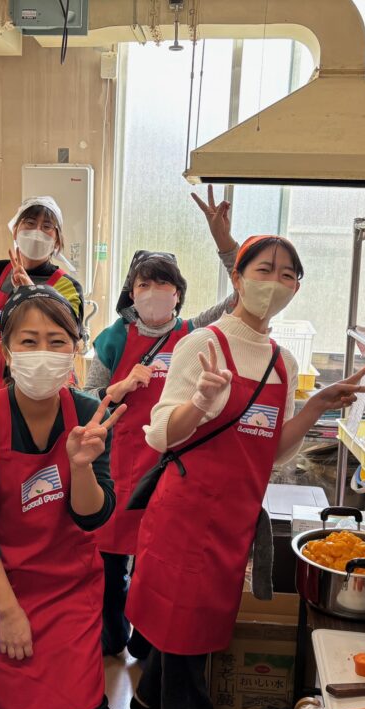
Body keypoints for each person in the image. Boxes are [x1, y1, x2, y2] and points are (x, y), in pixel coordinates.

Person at [123, 236, 365, 709]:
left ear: (295, 289)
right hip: (186, 512)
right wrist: (200, 402)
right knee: (186, 626)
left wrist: (314, 408)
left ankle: (148, 706)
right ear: (237, 278)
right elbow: (162, 435)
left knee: (188, 621)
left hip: (235, 517)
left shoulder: (283, 363)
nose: (275, 283)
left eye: (287, 275)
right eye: (264, 270)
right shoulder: (203, 345)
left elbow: (274, 451)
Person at [0, 285, 130, 709]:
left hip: (68, 590)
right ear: (6, 350)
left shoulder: (88, 415)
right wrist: (9, 613)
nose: (43, 353)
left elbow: (93, 516)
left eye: (57, 341)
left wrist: (82, 467)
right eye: (28, 341)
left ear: (75, 349)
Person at [87, 187, 241, 659]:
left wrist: (225, 243)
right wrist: (120, 387)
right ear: (131, 293)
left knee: (156, 560)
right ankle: (112, 632)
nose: (153, 292)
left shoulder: (193, 333)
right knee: (111, 561)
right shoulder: (111, 339)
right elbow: (86, 402)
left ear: (178, 293)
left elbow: (244, 295)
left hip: (168, 468)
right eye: (143, 285)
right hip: (116, 467)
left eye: (163, 284)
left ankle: (146, 637)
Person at [0, 196, 85, 390]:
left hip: (49, 393)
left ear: (57, 240)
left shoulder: (67, 286)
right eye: (30, 223)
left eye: (46, 226)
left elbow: (69, 339)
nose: (37, 232)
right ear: (15, 230)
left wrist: (31, 292)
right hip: (0, 391)